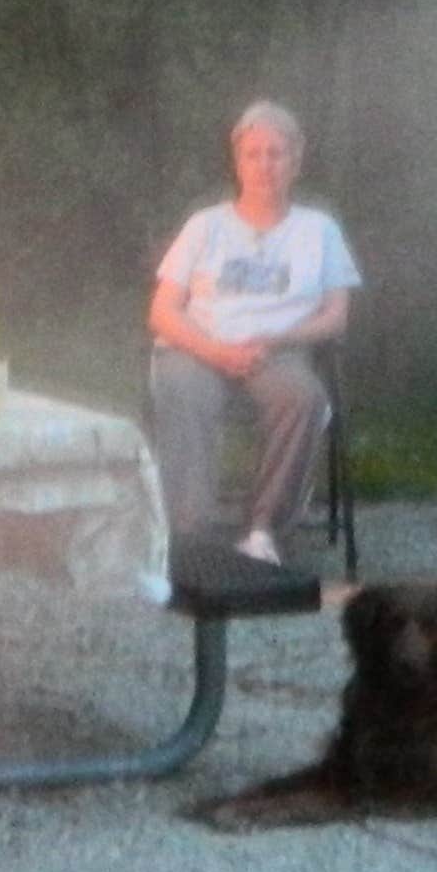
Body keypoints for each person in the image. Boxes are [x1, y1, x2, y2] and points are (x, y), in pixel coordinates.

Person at [147, 100, 359, 564]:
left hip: (276, 353)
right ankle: (188, 536)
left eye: (276, 153)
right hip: (199, 347)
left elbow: (335, 315)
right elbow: (162, 312)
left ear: (296, 160)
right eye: (253, 154)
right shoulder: (205, 226)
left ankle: (262, 530)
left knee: (304, 398)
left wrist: (279, 340)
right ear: (238, 161)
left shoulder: (318, 230)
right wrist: (215, 350)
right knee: (182, 388)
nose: (265, 165)